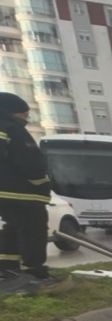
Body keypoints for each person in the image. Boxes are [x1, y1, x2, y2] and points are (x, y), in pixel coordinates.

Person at [0, 92, 53, 283]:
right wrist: (42, 184)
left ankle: (7, 270)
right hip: (21, 192)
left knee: (13, 226)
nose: (26, 119)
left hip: (4, 195)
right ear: (15, 112)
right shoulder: (13, 129)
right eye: (25, 114)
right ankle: (35, 271)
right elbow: (30, 163)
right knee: (34, 228)